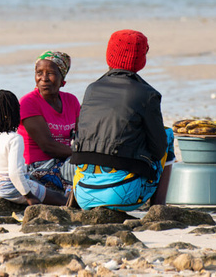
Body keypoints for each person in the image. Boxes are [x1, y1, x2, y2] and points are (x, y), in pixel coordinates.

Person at [70, 29, 175, 211]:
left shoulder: (91, 89)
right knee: (168, 135)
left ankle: (72, 206)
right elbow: (158, 149)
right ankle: (159, 208)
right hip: (124, 196)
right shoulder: (147, 94)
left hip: (83, 194)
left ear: (109, 55)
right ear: (141, 60)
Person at [0, 90, 67, 206]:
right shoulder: (15, 139)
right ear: (12, 114)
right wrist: (29, 196)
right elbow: (14, 173)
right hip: (12, 189)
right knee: (57, 197)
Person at [17, 51, 80, 194]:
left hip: (65, 161)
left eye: (50, 73)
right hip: (37, 167)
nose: (43, 79)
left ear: (62, 77)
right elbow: (47, 146)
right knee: (83, 170)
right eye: (39, 72)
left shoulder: (71, 101)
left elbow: (82, 135)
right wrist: (81, 156)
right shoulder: (28, 102)